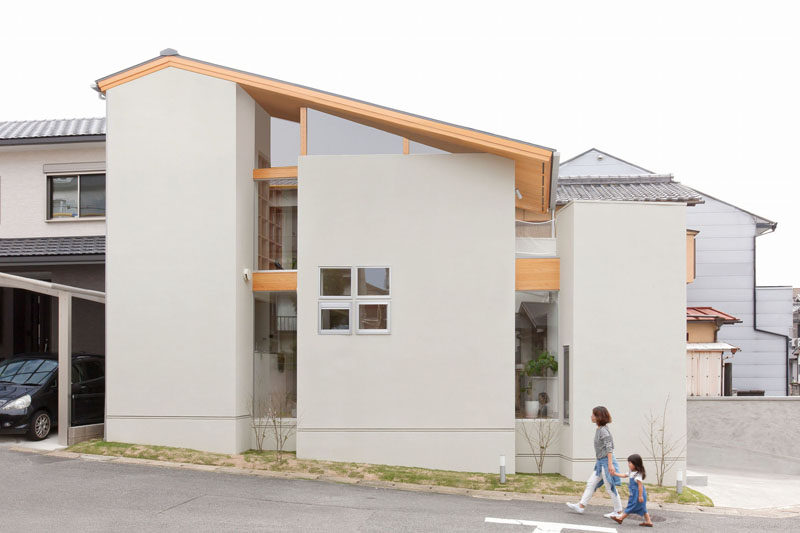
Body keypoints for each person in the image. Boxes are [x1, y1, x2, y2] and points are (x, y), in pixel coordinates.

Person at [566, 406, 623, 517]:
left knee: (610, 487)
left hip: (606, 463)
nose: (591, 416)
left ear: (599, 417)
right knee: (591, 483)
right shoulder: (600, 429)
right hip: (601, 463)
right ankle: (581, 506)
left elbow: (609, 447)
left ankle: (619, 511)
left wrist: (610, 464)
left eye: (593, 415)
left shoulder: (603, 431)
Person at [611, 454, 654, 527]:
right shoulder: (631, 472)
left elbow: (640, 486)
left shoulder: (638, 474)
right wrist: (615, 474)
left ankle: (621, 518)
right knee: (643, 508)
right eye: (628, 463)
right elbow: (624, 475)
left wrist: (640, 496)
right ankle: (648, 521)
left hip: (638, 494)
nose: (628, 464)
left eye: (630, 463)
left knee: (631, 506)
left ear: (635, 463)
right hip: (634, 493)